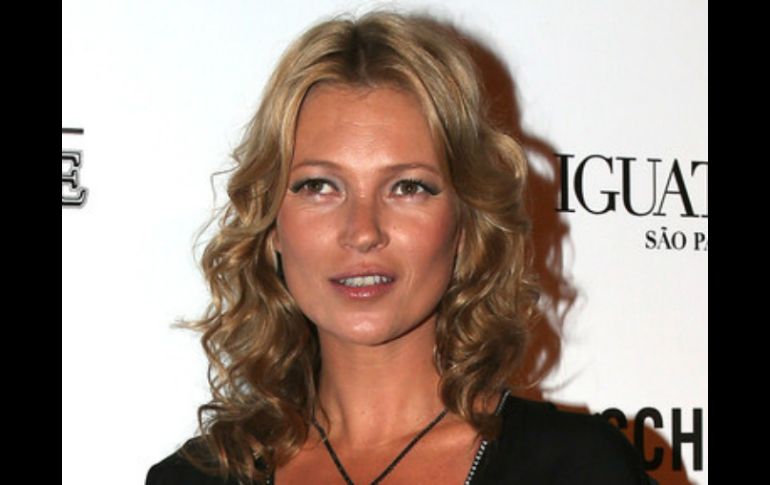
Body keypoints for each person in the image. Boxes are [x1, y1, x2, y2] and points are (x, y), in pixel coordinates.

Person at [146, 9, 657, 485]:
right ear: (272, 222)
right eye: (319, 186)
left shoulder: (578, 469)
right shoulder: (194, 479)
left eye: (408, 187)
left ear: (466, 220)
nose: (362, 231)